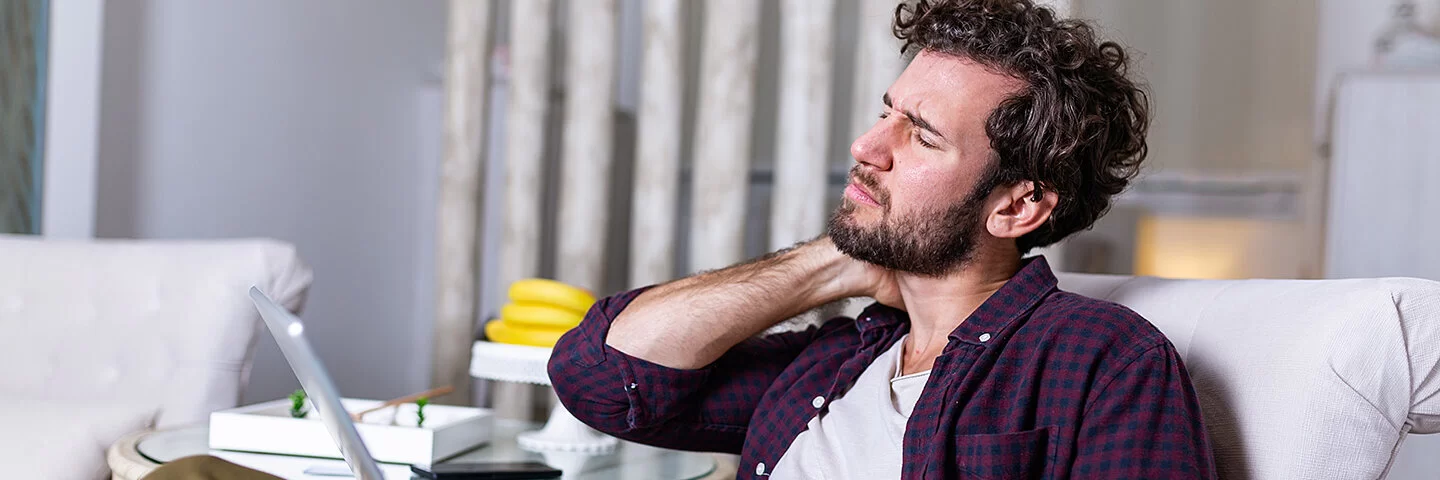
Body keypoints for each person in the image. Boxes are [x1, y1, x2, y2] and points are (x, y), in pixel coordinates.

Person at [548, 0, 1216, 478]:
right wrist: (834, 262)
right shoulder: (841, 360)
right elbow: (601, 380)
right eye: (884, 114)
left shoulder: (1104, 361)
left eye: (921, 135)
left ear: (1017, 206)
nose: (866, 146)